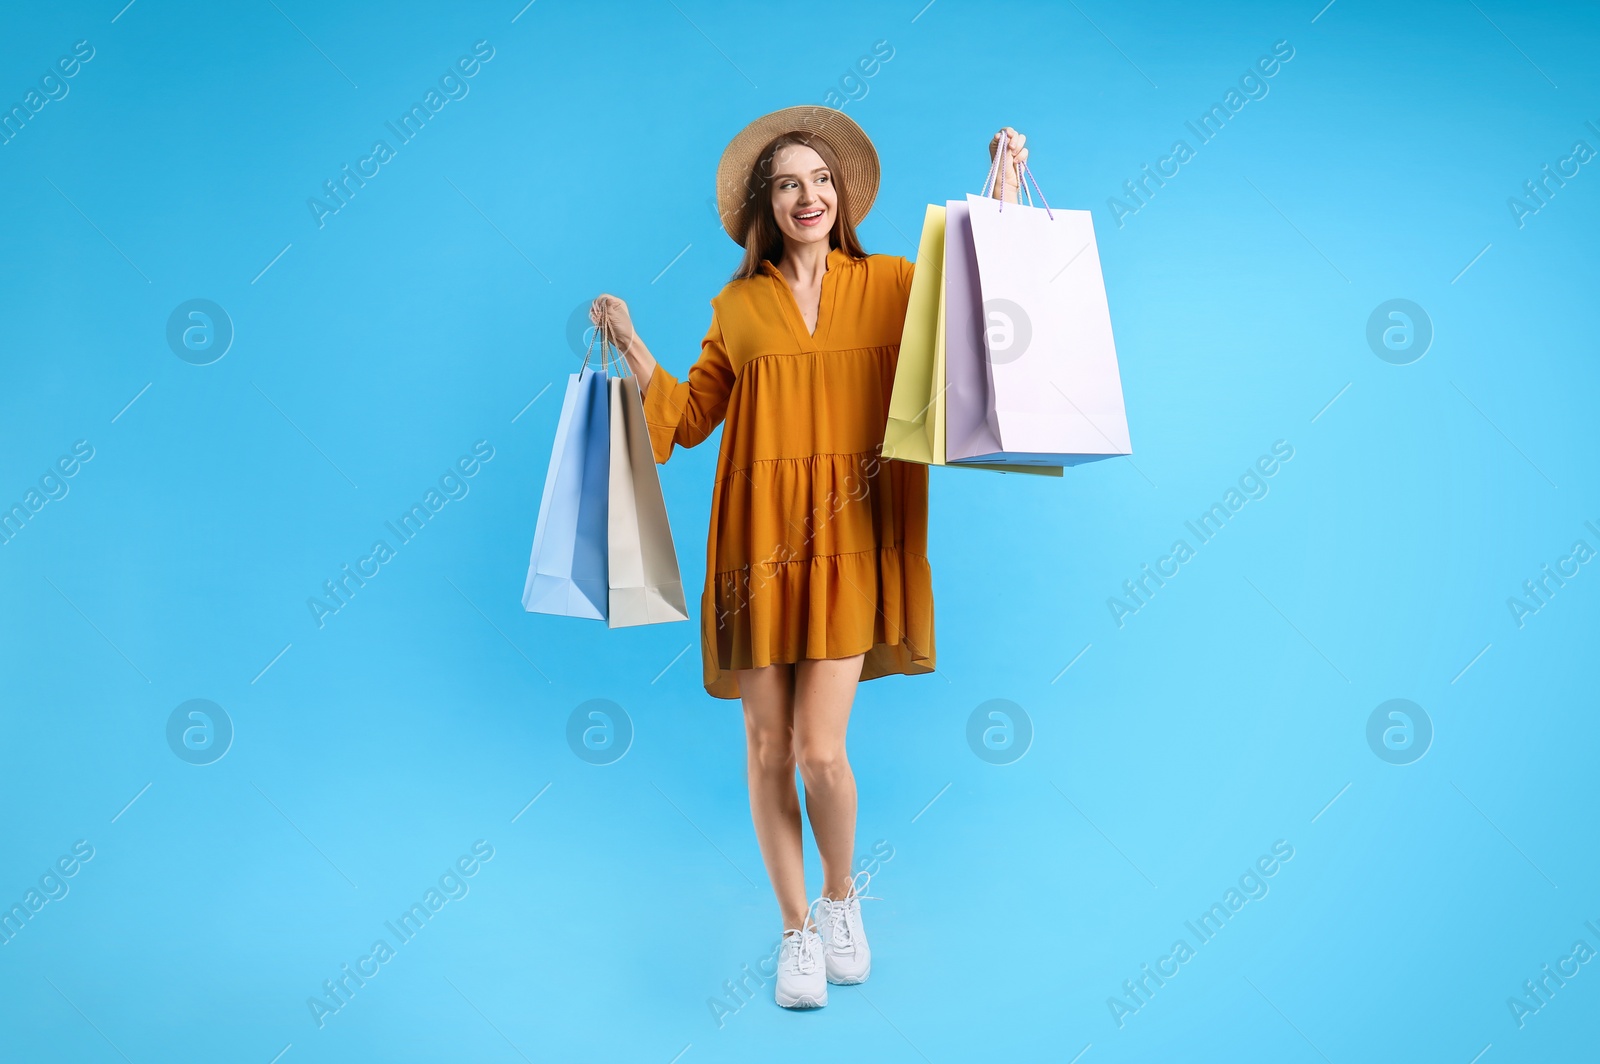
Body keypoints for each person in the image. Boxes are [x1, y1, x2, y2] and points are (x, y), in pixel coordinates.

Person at [590, 106, 1028, 1010]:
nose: (808, 195)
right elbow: (685, 423)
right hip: (757, 550)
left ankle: (839, 899)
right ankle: (794, 932)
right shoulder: (737, 308)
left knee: (820, 752)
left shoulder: (893, 284)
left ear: (842, 195)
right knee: (766, 747)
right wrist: (632, 341)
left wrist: (1004, 192)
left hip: (850, 545)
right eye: (788, 183)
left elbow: (973, 309)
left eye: (820, 179)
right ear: (765, 205)